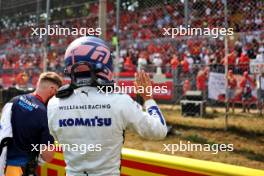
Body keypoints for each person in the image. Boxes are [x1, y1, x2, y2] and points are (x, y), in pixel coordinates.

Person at [47, 36, 167, 176]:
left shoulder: (54, 104)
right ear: (104, 64)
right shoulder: (120, 101)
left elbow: (53, 136)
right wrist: (148, 98)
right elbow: (159, 131)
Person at [0, 72, 63, 176]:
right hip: (23, 169)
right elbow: (48, 156)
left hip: (4, 165)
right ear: (52, 90)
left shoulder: (13, 101)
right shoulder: (46, 114)